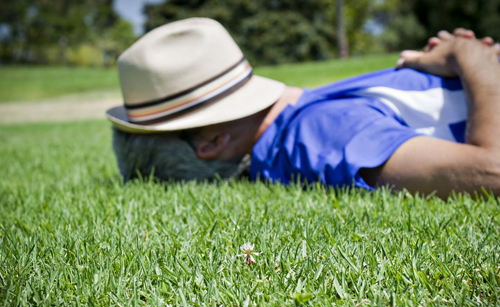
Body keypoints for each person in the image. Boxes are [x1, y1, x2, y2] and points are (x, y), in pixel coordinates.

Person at [107, 18, 500, 198]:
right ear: (210, 143)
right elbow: (491, 170)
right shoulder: (314, 133)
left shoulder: (304, 113)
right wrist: (470, 57)